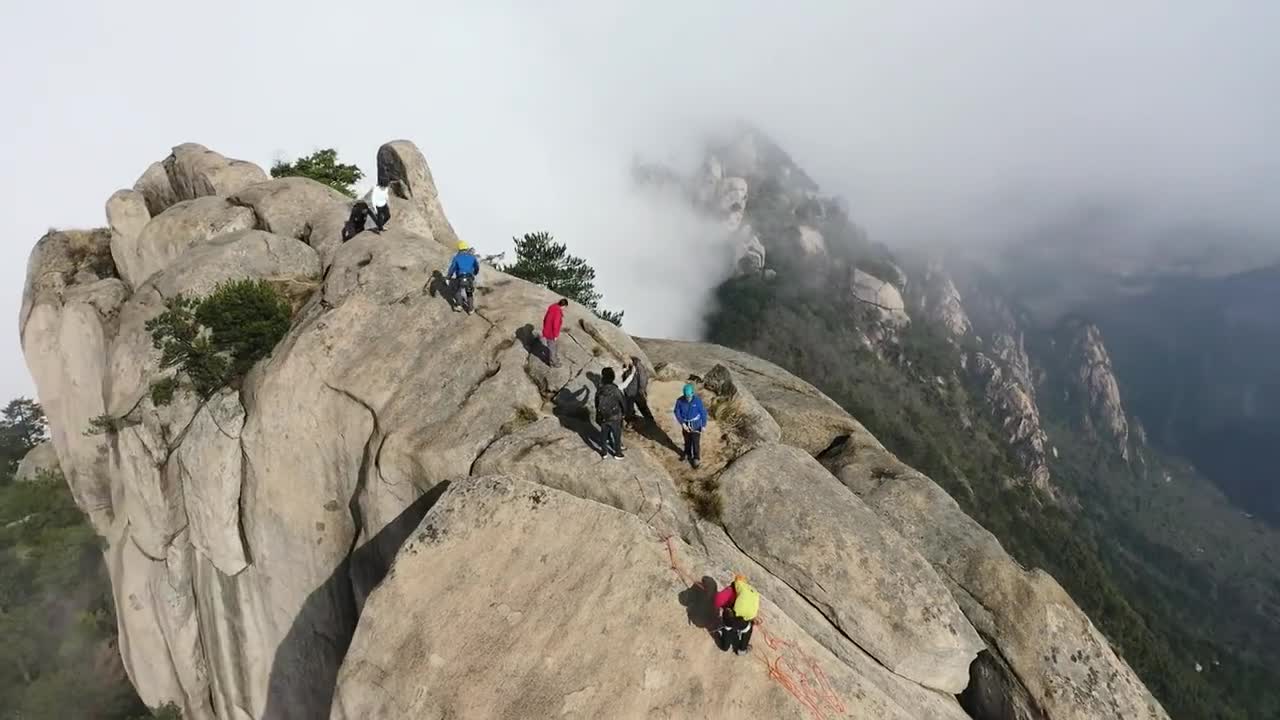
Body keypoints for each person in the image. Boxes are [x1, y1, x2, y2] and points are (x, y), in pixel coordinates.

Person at [712, 574, 759, 655]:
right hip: (741, 618)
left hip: (728, 615)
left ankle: (725, 646)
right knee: (747, 628)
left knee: (728, 627)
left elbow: (717, 600)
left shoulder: (729, 591)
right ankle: (742, 650)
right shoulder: (748, 592)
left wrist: (723, 606)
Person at [595, 367, 626, 459]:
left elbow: (596, 403)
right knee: (617, 435)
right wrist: (624, 413)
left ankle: (604, 452)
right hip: (615, 417)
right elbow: (622, 402)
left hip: (604, 417)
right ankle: (618, 453)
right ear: (613, 377)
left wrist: (599, 413)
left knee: (604, 434)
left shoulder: (600, 390)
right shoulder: (616, 390)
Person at [673, 383, 706, 468]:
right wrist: (682, 423)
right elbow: (677, 412)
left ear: (692, 393)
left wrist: (703, 425)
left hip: (696, 424)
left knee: (695, 441)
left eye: (689, 396)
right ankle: (687, 454)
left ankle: (696, 458)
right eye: (686, 396)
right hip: (685, 424)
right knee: (687, 441)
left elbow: (703, 413)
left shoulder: (697, 401)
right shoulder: (680, 401)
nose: (688, 398)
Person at [446, 242, 481, 313]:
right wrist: (475, 273)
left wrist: (448, 277)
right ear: (467, 248)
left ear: (459, 249)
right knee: (469, 293)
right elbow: (476, 267)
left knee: (457, 290)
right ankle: (470, 309)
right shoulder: (472, 257)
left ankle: (459, 305)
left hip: (460, 278)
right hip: (469, 278)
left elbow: (452, 268)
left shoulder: (456, 258)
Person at [619, 356, 654, 424]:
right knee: (629, 408)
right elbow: (625, 378)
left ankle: (650, 420)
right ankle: (631, 422)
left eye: (625, 361)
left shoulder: (637, 365)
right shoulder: (626, 366)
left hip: (637, 391)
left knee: (642, 406)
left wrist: (641, 389)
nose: (624, 363)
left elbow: (643, 378)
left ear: (629, 359)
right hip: (628, 391)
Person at [541, 298, 568, 367]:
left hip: (547, 330)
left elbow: (545, 319)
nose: (564, 309)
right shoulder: (557, 312)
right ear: (563, 306)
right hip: (551, 333)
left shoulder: (553, 307)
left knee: (554, 346)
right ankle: (553, 363)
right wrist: (555, 335)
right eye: (565, 307)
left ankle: (554, 358)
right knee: (552, 348)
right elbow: (555, 325)